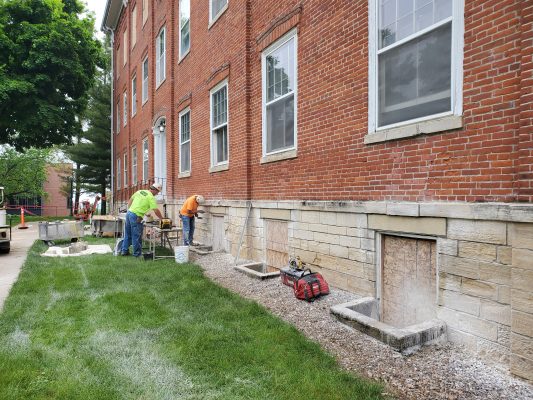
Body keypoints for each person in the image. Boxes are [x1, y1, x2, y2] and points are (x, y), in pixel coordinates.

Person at [121, 183, 164, 257]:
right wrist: (162, 218)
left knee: (128, 234)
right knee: (136, 235)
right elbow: (155, 210)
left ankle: (124, 251)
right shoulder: (150, 197)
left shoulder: (140, 191)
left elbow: (131, 200)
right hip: (136, 216)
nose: (157, 194)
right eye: (157, 192)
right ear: (154, 190)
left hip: (129, 213)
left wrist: (130, 210)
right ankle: (137, 254)